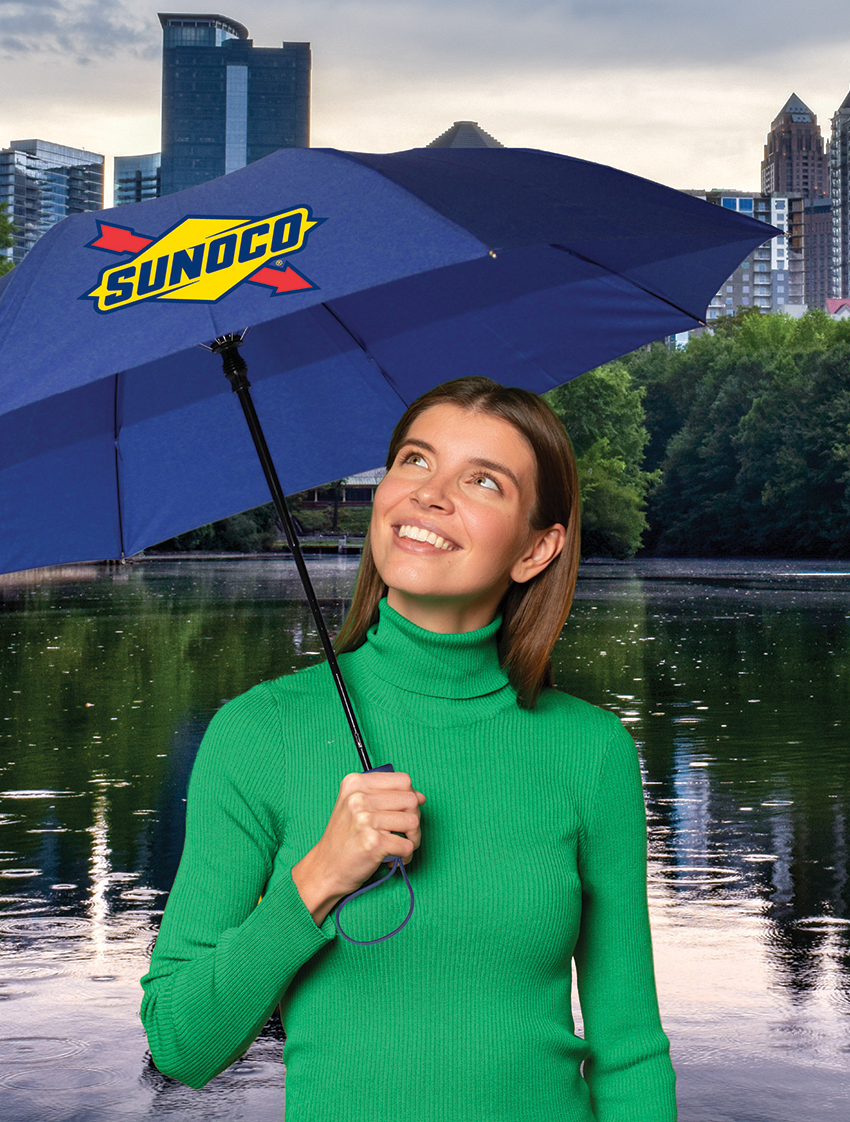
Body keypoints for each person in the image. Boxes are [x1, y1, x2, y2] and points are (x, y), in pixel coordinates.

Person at [140, 376, 676, 1122]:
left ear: (536, 547)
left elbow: (629, 1049)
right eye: (415, 461)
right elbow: (178, 1043)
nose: (430, 494)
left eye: (482, 481)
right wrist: (317, 881)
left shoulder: (592, 751)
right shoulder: (257, 733)